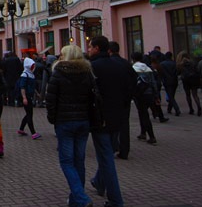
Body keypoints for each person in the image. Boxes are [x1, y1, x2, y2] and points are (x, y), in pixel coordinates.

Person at [46, 45, 95, 207]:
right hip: (83, 121)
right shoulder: (87, 73)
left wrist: (52, 118)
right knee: (78, 161)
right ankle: (76, 199)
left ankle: (81, 199)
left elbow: (51, 98)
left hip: (64, 122)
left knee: (67, 162)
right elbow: (92, 97)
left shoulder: (58, 73)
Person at [88, 36, 126, 207]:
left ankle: (115, 200)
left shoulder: (93, 67)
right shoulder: (120, 65)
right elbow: (130, 88)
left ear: (97, 48)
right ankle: (99, 182)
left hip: (100, 119)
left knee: (106, 158)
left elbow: (88, 93)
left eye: (90, 46)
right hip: (118, 117)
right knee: (108, 153)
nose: (88, 49)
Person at [108, 41, 136, 160]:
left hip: (111, 98)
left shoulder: (108, 63)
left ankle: (113, 147)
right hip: (125, 99)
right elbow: (134, 80)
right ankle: (124, 150)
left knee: (111, 124)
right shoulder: (126, 63)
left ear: (109, 50)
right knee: (124, 124)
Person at [131, 52, 158, 145]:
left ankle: (151, 136)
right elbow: (153, 82)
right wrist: (156, 95)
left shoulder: (133, 68)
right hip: (149, 93)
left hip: (139, 94)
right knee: (143, 113)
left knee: (143, 114)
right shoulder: (148, 68)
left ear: (133, 59)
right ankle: (143, 132)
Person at [17, 57, 41, 139]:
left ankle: (21, 129)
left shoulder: (30, 74)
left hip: (28, 96)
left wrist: (37, 93)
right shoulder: (24, 74)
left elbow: (31, 86)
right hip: (26, 96)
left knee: (28, 113)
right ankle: (33, 133)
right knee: (29, 114)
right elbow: (22, 87)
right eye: (32, 66)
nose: (33, 67)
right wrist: (24, 98)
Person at [176, 51, 202, 116]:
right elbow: (197, 70)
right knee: (195, 94)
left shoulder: (180, 64)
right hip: (194, 79)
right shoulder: (193, 62)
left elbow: (178, 73)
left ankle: (191, 109)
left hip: (185, 80)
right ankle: (199, 106)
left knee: (188, 95)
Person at [160, 52, 181, 116]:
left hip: (167, 81)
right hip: (174, 81)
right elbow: (178, 72)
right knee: (172, 95)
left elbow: (161, 73)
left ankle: (177, 109)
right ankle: (169, 109)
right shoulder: (174, 63)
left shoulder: (162, 64)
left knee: (170, 96)